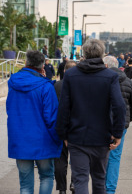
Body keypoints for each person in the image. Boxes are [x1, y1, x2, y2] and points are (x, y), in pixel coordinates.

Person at [56, 39, 126, 194]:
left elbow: (64, 107)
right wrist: (117, 133)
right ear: (102, 53)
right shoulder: (110, 76)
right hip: (102, 137)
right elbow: (119, 106)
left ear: (84, 53)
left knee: (80, 179)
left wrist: (63, 134)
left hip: (77, 136)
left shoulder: (71, 75)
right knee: (99, 180)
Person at [6, 50, 62, 193]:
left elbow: (10, 110)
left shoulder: (14, 83)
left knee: (25, 183)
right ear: (43, 66)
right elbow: (51, 118)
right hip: (43, 141)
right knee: (47, 176)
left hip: (20, 139)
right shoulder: (46, 86)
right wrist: (58, 139)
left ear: (26, 62)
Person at [103, 56, 132, 194]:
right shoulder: (127, 81)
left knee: (101, 155)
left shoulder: (101, 81)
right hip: (120, 125)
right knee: (115, 157)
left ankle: (100, 186)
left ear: (106, 66)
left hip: (102, 124)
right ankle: (110, 190)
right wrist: (127, 120)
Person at [54, 60, 77, 194]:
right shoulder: (81, 86)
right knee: (76, 158)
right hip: (76, 127)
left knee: (60, 159)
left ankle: (62, 189)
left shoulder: (56, 86)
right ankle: (74, 182)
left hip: (60, 126)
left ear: (64, 71)